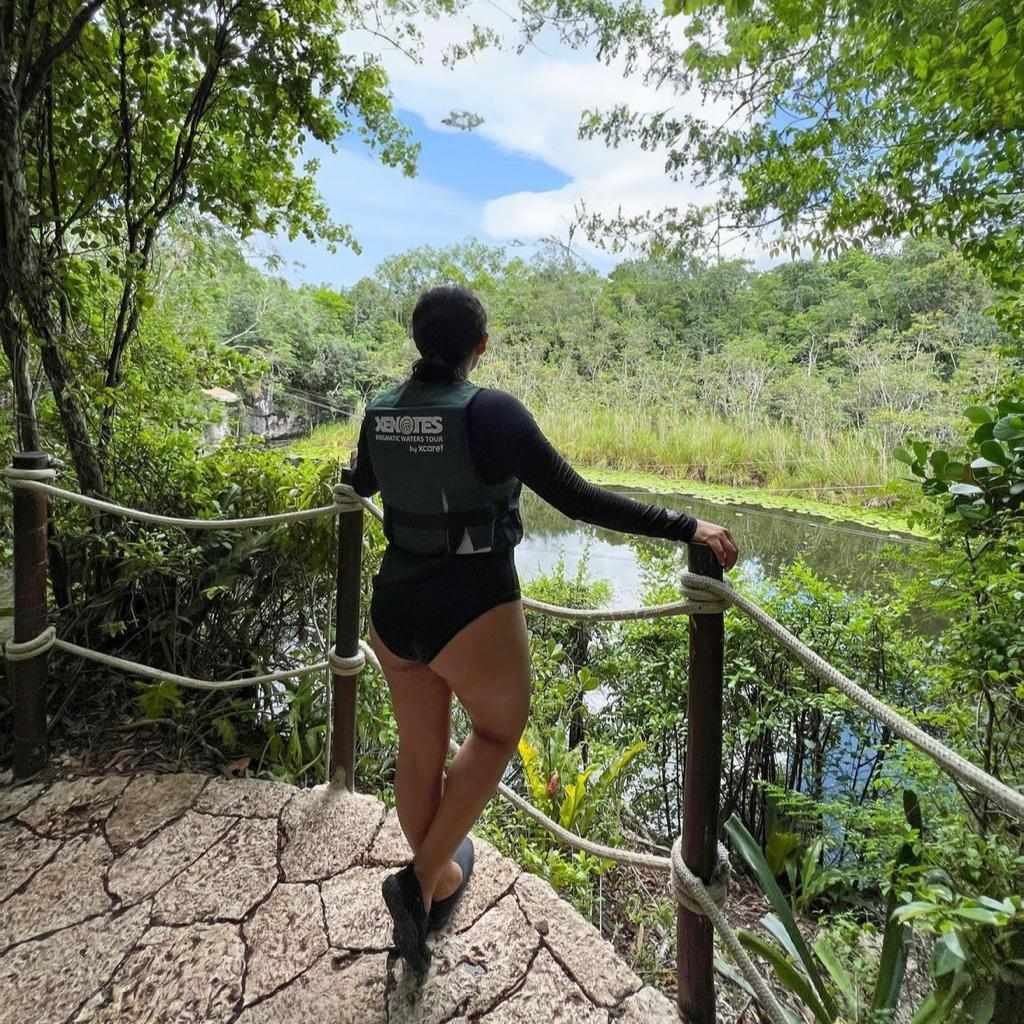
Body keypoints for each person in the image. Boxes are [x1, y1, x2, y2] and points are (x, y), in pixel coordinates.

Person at [351, 285, 738, 976]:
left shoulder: (381, 409)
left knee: (419, 754)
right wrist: (687, 526)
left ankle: (435, 883)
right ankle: (417, 882)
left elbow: (364, 483)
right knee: (496, 734)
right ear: (481, 346)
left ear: (417, 341)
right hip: (469, 606)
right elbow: (578, 497)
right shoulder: (491, 412)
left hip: (393, 607)